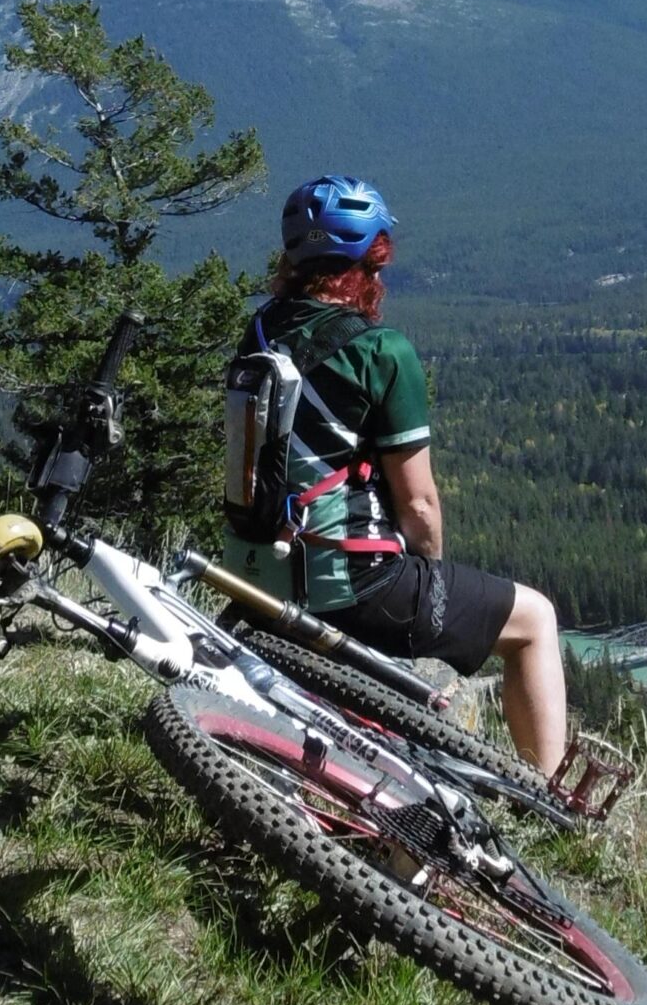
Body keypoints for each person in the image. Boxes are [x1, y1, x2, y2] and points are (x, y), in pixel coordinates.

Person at [221, 174, 571, 770]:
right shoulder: (383, 351)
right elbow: (421, 507)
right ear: (358, 266)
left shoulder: (257, 332)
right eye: (376, 265)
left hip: (254, 576)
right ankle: (546, 795)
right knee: (535, 619)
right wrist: (429, 575)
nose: (381, 281)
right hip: (348, 585)